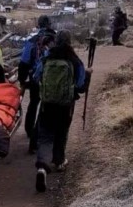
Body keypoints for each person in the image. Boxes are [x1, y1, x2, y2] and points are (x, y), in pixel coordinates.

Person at [33, 30, 92, 193]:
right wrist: (87, 75)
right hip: (65, 106)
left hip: (47, 104)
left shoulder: (46, 57)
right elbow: (80, 86)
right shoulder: (74, 60)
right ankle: (59, 161)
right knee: (61, 132)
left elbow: (36, 78)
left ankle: (42, 167)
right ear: (69, 41)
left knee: (45, 136)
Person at [18, 15, 56, 153]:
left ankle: (29, 130)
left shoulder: (32, 40)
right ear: (50, 24)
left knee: (33, 103)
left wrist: (22, 80)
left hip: (35, 77)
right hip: (53, 79)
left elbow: (24, 61)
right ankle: (46, 134)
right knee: (48, 107)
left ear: (39, 25)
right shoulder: (57, 39)